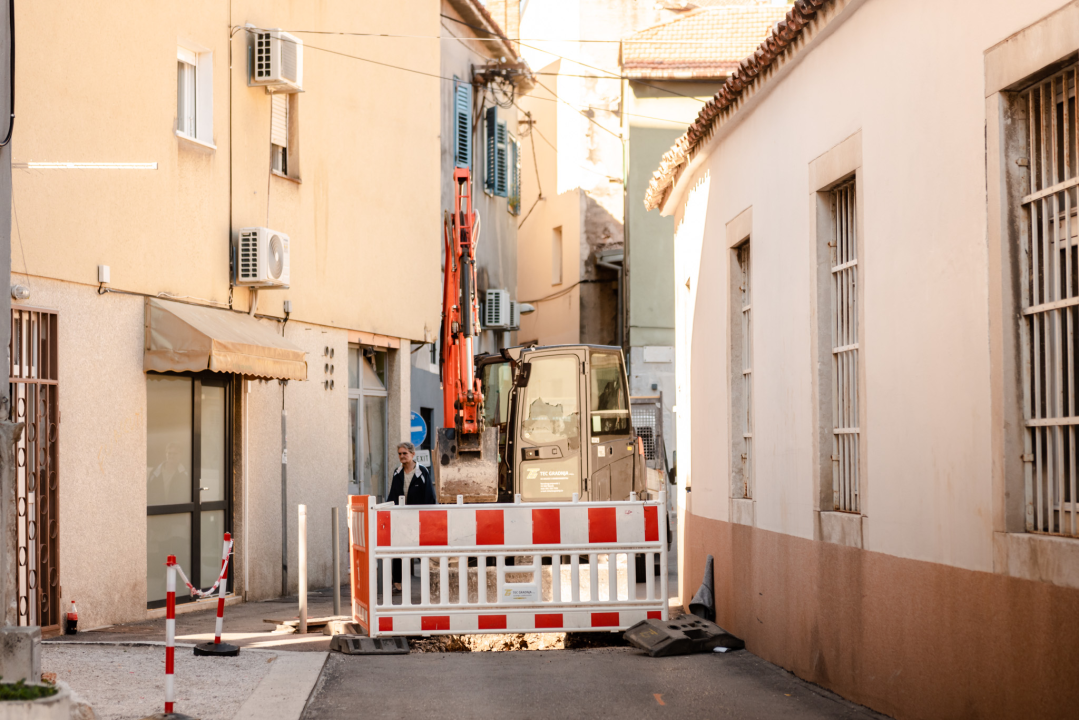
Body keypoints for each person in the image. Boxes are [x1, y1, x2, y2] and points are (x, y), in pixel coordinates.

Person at [386, 442, 436, 591]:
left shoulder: (422, 472)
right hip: (401, 518)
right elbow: (393, 495)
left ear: (413, 454)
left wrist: (427, 518)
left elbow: (429, 497)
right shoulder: (397, 472)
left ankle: (431, 581)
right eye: (400, 454)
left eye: (405, 453)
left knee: (421, 551)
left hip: (418, 519)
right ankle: (397, 583)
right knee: (397, 550)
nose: (402, 456)